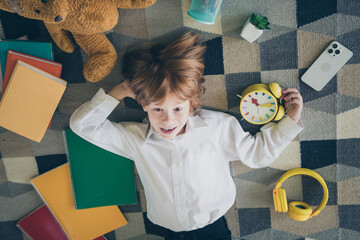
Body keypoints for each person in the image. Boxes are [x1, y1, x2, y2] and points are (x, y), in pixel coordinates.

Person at [70, 32, 303, 240]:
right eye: (158, 109)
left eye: (177, 109)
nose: (168, 120)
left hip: (212, 229)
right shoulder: (135, 139)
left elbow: (256, 155)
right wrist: (121, 90)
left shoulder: (216, 127)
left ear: (192, 103)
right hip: (167, 229)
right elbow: (82, 125)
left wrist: (290, 121)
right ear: (143, 105)